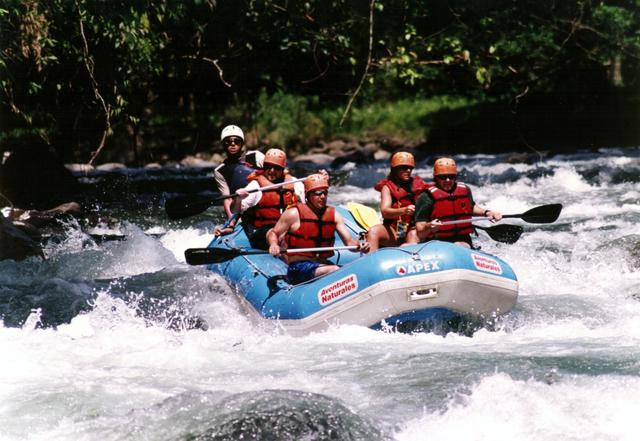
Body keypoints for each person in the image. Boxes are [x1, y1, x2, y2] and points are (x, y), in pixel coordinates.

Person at [266, 173, 370, 285]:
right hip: (299, 268)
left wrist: (359, 245)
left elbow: (350, 243)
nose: (323, 197)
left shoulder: (334, 215)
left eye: (325, 193)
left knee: (350, 273)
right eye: (317, 193)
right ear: (307, 195)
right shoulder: (293, 213)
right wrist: (273, 244)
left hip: (323, 264)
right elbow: (273, 233)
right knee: (335, 270)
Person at [216, 148, 305, 249]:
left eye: (277, 168)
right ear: (264, 166)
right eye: (268, 167)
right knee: (275, 234)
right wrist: (238, 199)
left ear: (283, 169)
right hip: (260, 231)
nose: (272, 171)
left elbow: (306, 209)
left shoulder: (295, 184)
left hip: (284, 229)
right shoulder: (256, 186)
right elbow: (235, 210)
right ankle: (276, 247)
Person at [414, 157, 502, 248]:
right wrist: (429, 226)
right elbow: (420, 233)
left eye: (451, 176)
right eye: (443, 177)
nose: (448, 180)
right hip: (436, 241)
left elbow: (471, 208)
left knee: (460, 245)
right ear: (436, 178)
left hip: (462, 239)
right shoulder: (426, 197)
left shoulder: (465, 189)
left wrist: (487, 213)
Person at [367, 151, 430, 251]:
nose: (408, 170)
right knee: (374, 231)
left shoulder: (419, 184)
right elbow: (385, 212)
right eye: (404, 168)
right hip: (393, 229)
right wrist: (404, 210)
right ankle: (371, 261)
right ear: (395, 169)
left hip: (412, 228)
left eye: (410, 168)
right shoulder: (387, 188)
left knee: (413, 234)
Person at [213, 125, 263, 219]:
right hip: (242, 207)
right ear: (223, 144)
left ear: (242, 143)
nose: (233, 144)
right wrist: (230, 222)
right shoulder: (220, 171)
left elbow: (275, 172)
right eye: (228, 142)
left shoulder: (256, 156)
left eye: (236, 141)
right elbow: (227, 199)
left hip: (264, 201)